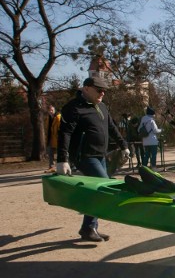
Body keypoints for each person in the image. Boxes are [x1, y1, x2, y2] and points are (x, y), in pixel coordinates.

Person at [56, 76, 129, 242]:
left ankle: (89, 227)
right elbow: (65, 134)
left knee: (98, 190)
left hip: (100, 155)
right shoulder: (73, 108)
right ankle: (89, 227)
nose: (102, 93)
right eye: (99, 90)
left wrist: (123, 145)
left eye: (104, 91)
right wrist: (62, 159)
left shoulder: (102, 106)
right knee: (103, 188)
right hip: (85, 156)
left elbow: (111, 127)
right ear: (86, 88)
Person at [45, 104, 61, 172]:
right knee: (50, 153)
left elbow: (60, 128)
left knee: (60, 153)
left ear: (54, 110)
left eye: (52, 110)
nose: (51, 111)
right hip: (50, 138)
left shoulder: (58, 117)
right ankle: (51, 167)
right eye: (49, 110)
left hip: (57, 138)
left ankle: (65, 166)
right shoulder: (48, 118)